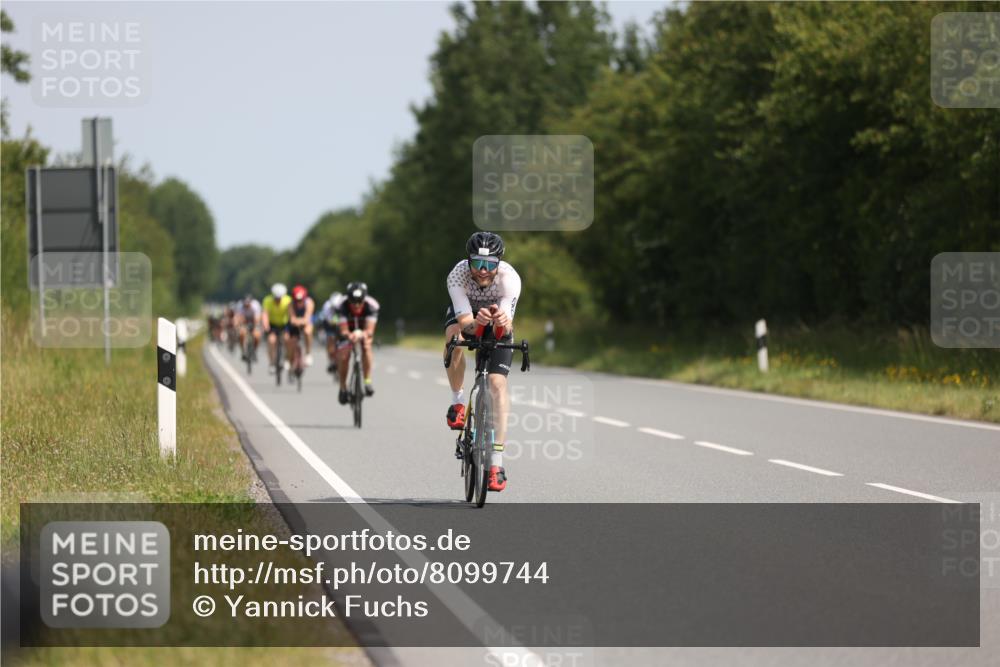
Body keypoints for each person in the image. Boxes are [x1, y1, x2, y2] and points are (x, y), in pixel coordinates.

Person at [443, 231, 521, 492]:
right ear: (468, 262)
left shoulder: (510, 280)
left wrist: (499, 322)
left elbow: (506, 328)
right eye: (478, 264)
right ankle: (458, 402)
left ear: (499, 263)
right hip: (468, 318)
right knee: (454, 338)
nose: (484, 271)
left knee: (498, 385)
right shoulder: (457, 276)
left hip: (497, 318)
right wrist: (478, 322)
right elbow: (466, 326)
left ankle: (496, 461)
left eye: (490, 265)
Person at [336, 282, 379, 404]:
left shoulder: (372, 306)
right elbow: (343, 330)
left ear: (364, 299)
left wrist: (362, 334)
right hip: (347, 331)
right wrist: (350, 336)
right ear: (348, 299)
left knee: (366, 346)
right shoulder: (341, 306)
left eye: (360, 301)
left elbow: (370, 330)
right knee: (344, 356)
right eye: (353, 301)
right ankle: (343, 387)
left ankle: (367, 381)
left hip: (363, 329)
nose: (356, 305)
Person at [261, 283, 292, 374]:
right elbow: (265, 314)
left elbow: (291, 314)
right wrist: (266, 326)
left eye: (280, 298)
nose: (278, 300)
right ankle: (271, 363)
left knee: (287, 339)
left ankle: (286, 359)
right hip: (272, 324)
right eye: (276, 298)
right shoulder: (267, 300)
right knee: (271, 341)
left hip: (284, 323)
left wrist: (291, 325)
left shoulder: (288, 300)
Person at [288, 284, 315, 367]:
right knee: (291, 342)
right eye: (297, 300)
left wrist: (299, 321)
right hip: (295, 324)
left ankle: (308, 353)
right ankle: (290, 360)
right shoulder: (290, 304)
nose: (299, 302)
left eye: (301, 300)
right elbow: (292, 318)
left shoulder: (309, 302)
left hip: (305, 323)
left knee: (307, 331)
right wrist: (298, 321)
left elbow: (307, 318)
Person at [319, 291, 345, 373]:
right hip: (329, 324)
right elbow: (329, 320)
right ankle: (331, 360)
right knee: (330, 340)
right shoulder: (327, 306)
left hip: (341, 323)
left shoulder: (344, 304)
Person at [236, 293, 262, 361]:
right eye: (245, 303)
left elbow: (258, 317)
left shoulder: (256, 305)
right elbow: (238, 317)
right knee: (241, 333)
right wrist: (239, 323)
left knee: (257, 336)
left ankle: (254, 351)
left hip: (254, 322)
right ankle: (243, 350)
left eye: (248, 303)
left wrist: (255, 324)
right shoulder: (240, 305)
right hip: (244, 322)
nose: (246, 305)